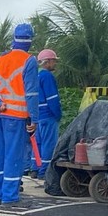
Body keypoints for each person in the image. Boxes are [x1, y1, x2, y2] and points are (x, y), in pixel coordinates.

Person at [0, 23, 39, 205]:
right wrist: (34, 118)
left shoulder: (1, 60)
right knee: (13, 156)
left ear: (14, 38)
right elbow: (32, 93)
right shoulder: (29, 61)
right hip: (17, 117)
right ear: (30, 41)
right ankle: (10, 196)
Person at [34, 49, 62, 179]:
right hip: (48, 115)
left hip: (36, 115)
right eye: (54, 61)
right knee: (48, 144)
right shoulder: (47, 76)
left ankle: (35, 168)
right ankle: (44, 172)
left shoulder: (35, 75)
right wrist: (57, 114)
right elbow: (52, 99)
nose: (55, 64)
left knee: (38, 143)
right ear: (48, 62)